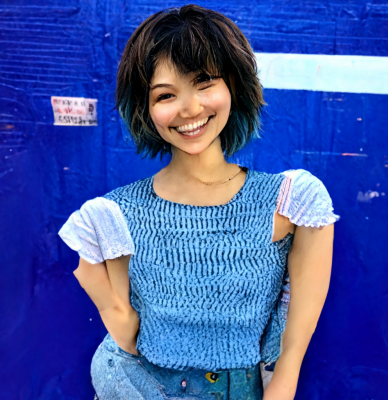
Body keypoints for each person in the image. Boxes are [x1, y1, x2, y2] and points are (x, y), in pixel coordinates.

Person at [58, 5, 340, 400]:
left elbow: (295, 339)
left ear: (234, 85)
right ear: (146, 109)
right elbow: (122, 329)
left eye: (204, 82)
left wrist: (283, 382)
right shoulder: (115, 214)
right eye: (165, 94)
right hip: (137, 386)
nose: (189, 108)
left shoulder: (293, 201)